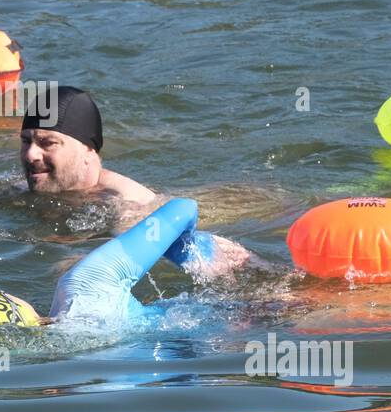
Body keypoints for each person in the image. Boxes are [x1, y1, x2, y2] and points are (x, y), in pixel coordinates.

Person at [20, 86, 251, 276]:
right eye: (26, 141)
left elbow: (145, 247)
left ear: (88, 149)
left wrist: (80, 260)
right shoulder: (19, 188)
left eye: (47, 143)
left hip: (239, 205)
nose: (31, 154)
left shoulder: (122, 201)